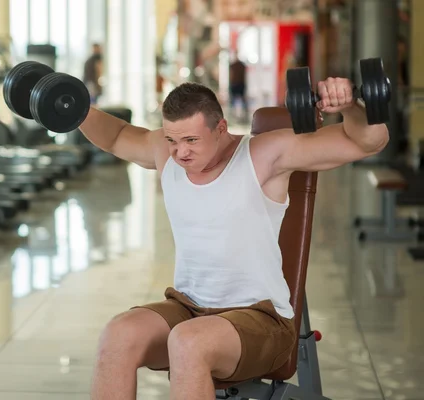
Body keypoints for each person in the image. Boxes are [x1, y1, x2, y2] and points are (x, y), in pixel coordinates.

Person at [79, 78, 389, 400]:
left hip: (261, 319)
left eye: (191, 139)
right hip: (189, 308)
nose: (180, 152)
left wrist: (351, 106)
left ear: (221, 128)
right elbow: (115, 136)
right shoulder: (166, 152)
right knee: (117, 335)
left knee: (188, 342)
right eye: (172, 139)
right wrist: (72, 108)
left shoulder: (264, 155)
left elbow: (368, 142)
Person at [228, 52, 248, 121]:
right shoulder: (241, 65)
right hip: (239, 83)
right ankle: (240, 114)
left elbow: (231, 75)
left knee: (235, 100)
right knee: (237, 100)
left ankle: (239, 114)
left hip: (236, 83)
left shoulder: (234, 65)